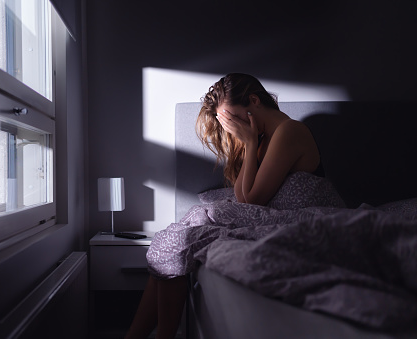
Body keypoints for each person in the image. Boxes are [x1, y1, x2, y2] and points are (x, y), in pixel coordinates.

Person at [125, 73, 323, 339]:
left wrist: (250, 142)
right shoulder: (263, 140)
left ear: (254, 101)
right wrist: (250, 143)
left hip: (306, 218)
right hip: (274, 218)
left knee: (186, 235)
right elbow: (243, 197)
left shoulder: (290, 131)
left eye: (233, 119)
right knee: (179, 239)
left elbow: (252, 201)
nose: (232, 129)